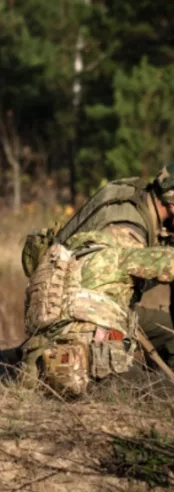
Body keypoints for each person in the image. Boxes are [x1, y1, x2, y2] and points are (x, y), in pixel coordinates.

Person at [22, 164, 174, 394]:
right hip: (88, 360)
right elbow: (164, 263)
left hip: (46, 344)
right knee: (161, 392)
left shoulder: (119, 201)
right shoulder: (125, 239)